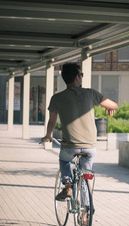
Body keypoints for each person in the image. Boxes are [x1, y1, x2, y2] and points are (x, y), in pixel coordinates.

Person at [41, 62, 118, 201]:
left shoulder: (56, 98)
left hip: (70, 146)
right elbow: (114, 105)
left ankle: (67, 185)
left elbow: (52, 121)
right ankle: (84, 216)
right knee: (85, 179)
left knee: (64, 160)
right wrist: (108, 107)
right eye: (81, 75)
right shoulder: (90, 94)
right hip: (90, 146)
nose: (82, 77)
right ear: (77, 77)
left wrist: (48, 135)